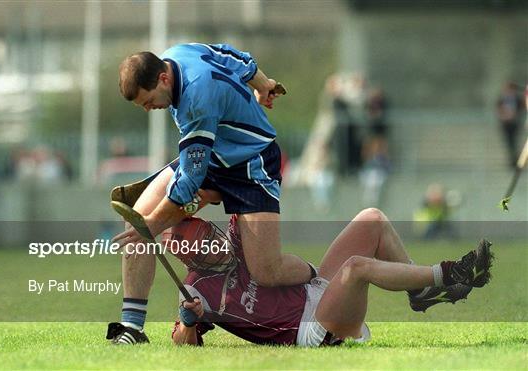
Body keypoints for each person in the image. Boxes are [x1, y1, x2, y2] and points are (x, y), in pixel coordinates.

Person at [111, 44, 314, 336]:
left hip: (250, 165)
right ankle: (132, 327)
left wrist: (154, 224)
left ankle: (322, 276)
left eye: (148, 100)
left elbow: (191, 180)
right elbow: (234, 56)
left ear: (163, 79)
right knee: (136, 217)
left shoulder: (195, 99)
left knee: (266, 271)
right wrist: (264, 84)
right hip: (211, 154)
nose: (148, 109)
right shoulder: (178, 53)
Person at [107, 205, 493, 346]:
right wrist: (190, 320)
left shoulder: (240, 238)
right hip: (313, 328)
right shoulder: (195, 289)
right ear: (193, 259)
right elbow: (181, 341)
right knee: (356, 268)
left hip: (316, 289)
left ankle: (420, 294)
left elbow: (240, 185)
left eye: (209, 233)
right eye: (202, 246)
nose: (213, 243)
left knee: (372, 220)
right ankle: (448, 274)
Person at [496, 82, 525, 168]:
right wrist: (504, 116)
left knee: (515, 143)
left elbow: (521, 110)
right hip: (506, 125)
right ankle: (513, 161)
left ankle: (517, 161)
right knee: (510, 143)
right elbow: (498, 110)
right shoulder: (501, 100)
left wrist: (514, 115)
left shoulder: (518, 100)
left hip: (515, 124)